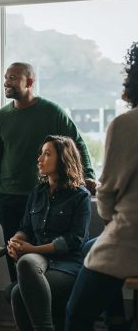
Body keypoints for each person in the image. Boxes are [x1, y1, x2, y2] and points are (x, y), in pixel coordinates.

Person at [0, 62, 96, 282]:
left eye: (13, 78)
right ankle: (19, 299)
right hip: (8, 196)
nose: (6, 82)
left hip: (44, 195)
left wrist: (89, 176)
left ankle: (48, 296)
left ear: (29, 82)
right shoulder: (1, 117)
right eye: (6, 77)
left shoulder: (52, 112)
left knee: (44, 254)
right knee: (15, 252)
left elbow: (77, 143)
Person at [65, 42, 138, 331]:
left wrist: (110, 218)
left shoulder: (126, 124)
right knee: (90, 247)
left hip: (131, 241)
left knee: (76, 314)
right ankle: (116, 318)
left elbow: (106, 197)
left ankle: (115, 321)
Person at [7, 135, 91, 331]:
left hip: (68, 264)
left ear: (63, 158)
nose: (40, 159)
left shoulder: (80, 196)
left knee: (18, 293)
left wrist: (33, 248)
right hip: (40, 259)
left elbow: (75, 241)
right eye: (41, 154)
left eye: (47, 154)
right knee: (27, 261)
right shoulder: (38, 191)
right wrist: (16, 241)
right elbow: (26, 227)